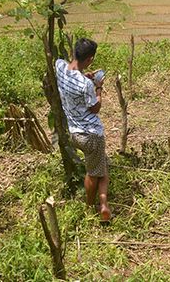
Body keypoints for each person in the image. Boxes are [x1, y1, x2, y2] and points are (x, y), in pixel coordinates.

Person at [55, 37, 110, 221]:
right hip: (91, 135)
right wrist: (99, 88)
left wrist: (84, 76)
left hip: (75, 132)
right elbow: (94, 108)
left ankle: (103, 204)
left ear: (74, 52)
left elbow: (72, 77)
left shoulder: (60, 66)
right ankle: (93, 207)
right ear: (90, 60)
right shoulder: (86, 85)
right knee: (95, 173)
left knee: (101, 166)